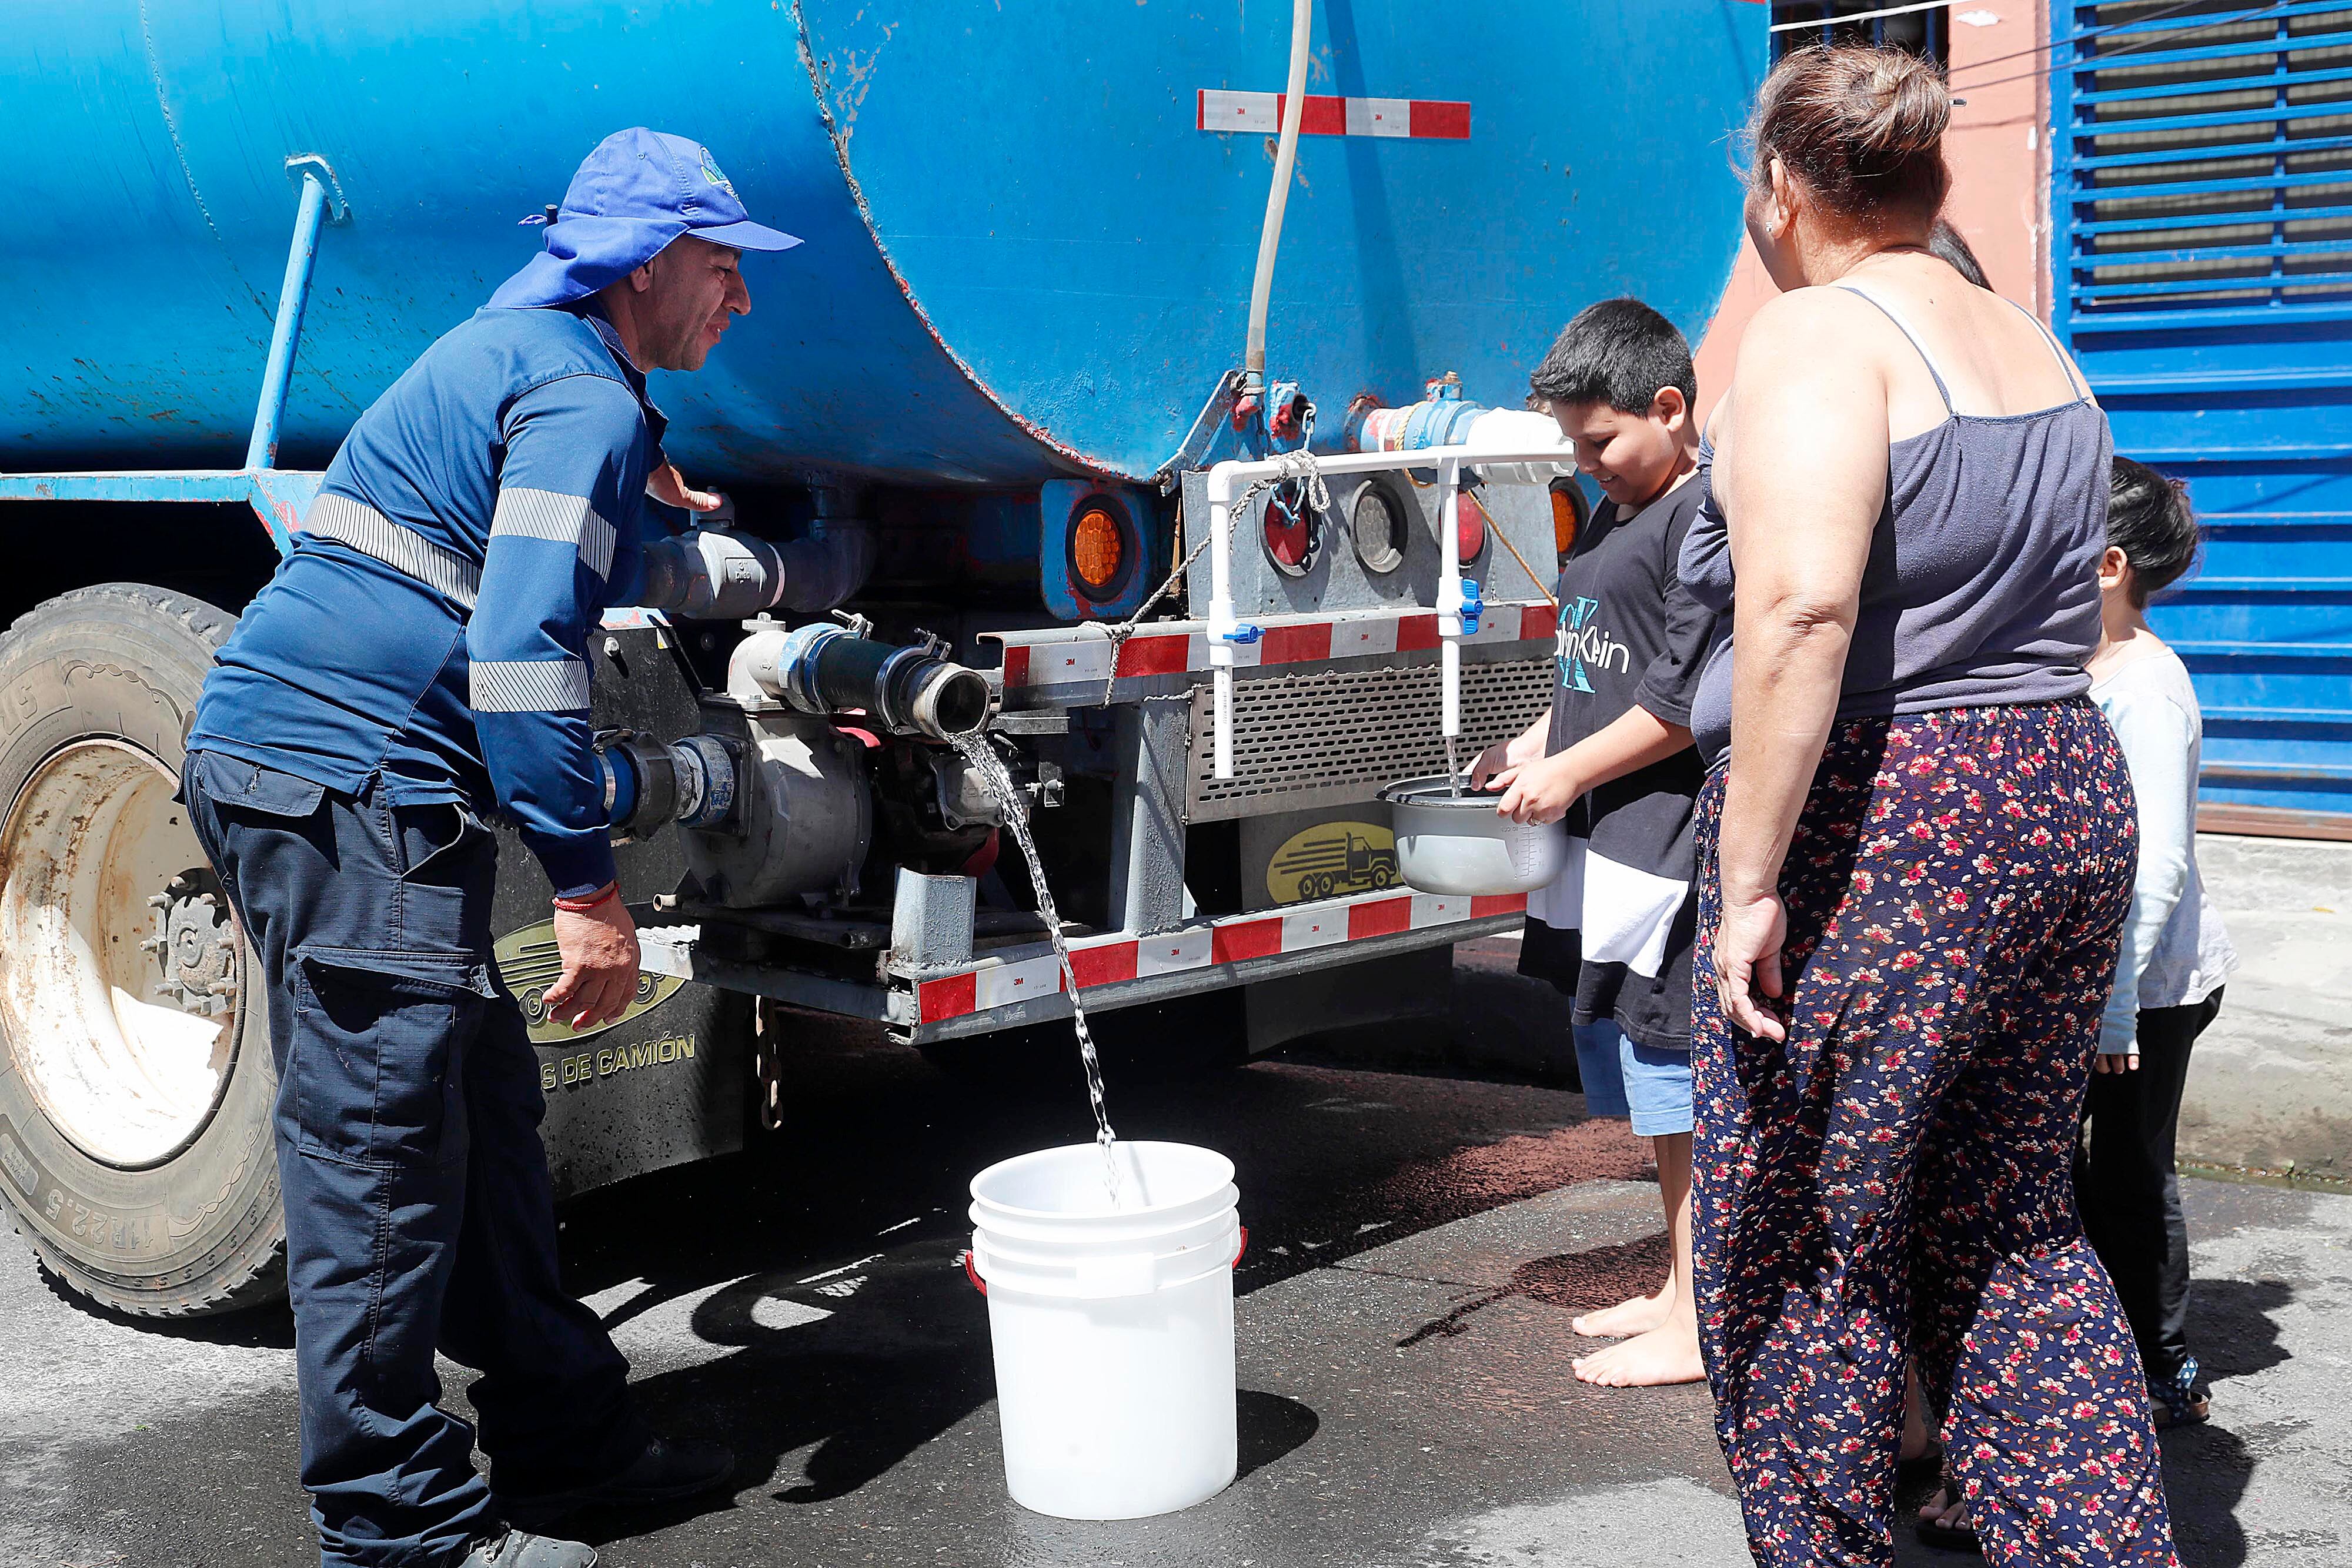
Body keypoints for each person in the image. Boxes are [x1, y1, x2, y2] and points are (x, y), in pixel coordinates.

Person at [181, 129, 807, 1568]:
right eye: (725, 269)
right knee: (382, 1162)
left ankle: (566, 1441)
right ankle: (395, 1529)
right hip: (343, 782)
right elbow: (524, 655)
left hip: (336, 771)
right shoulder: (577, 394)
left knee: (483, 1128)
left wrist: (644, 487)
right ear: (649, 264)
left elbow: (507, 543)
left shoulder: (533, 355)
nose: (743, 299)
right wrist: (586, 887)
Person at [1681, 45, 2176, 1566]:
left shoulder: (1818, 331)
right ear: (1930, 178)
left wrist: (1752, 876)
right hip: (2061, 790)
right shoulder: (2039, 340)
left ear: (1782, 186)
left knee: (1803, 1245)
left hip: (1896, 816)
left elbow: (1802, 618)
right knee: (2014, 1229)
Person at [1471, 298, 1718, 1388]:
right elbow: (1596, 669)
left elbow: (1680, 701)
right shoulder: (1621, 514)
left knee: (1679, 1076)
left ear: (1670, 407)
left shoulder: (1699, 518)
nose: (1588, 461)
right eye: (1576, 443)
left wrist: (1568, 772)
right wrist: (1530, 745)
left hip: (1664, 837)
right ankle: (1678, 1286)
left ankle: (1703, 1322)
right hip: (1607, 834)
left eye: (1601, 438)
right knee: (1647, 1077)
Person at [2077, 459, 2239, 1424]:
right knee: (2088, 1170)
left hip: (2151, 985)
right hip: (2109, 981)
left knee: (2132, 1169)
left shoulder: (2145, 686)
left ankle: (2163, 1364)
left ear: (2105, 564)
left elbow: (2157, 866)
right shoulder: (2078, 662)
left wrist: (2113, 1007)